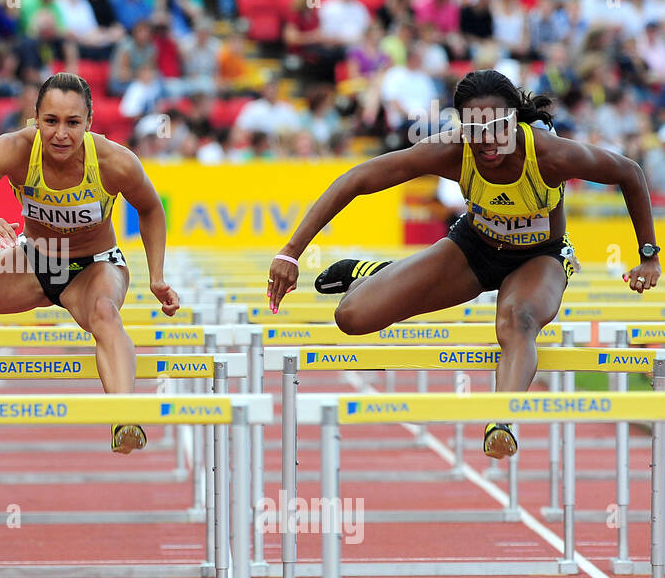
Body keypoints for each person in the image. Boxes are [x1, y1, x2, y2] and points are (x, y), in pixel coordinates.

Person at [266, 69, 660, 459]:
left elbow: (629, 172)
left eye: (496, 128)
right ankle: (376, 273)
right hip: (474, 249)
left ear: (514, 121)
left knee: (518, 319)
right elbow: (357, 179)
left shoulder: (550, 154)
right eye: (474, 129)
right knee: (352, 317)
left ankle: (501, 419)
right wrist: (290, 251)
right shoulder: (452, 152)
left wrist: (648, 255)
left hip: (539, 257)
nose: (486, 142)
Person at [0, 72, 180, 453]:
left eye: (72, 123)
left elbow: (150, 209)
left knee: (104, 313)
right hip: (32, 261)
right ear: (35, 118)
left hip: (94, 267)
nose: (61, 134)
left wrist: (156, 276)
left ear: (89, 123)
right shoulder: (14, 149)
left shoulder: (116, 162)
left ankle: (125, 418)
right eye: (51, 121)